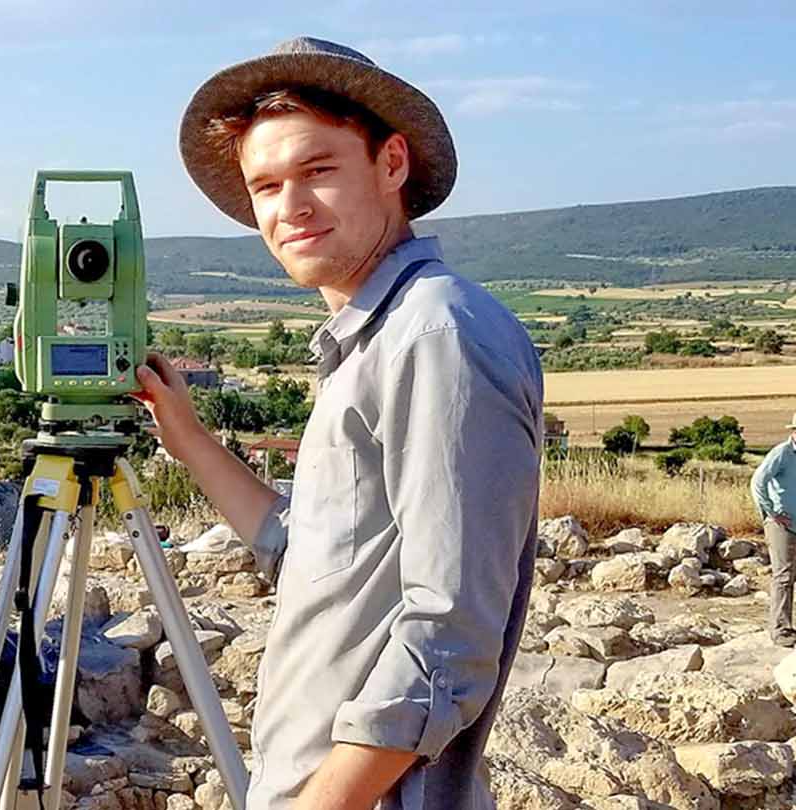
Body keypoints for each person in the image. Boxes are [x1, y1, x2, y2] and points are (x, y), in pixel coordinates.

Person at [134, 38, 543, 809]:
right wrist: (187, 439)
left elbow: (448, 639)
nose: (289, 207)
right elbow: (310, 553)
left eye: (318, 171)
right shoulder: (375, 343)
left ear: (392, 164)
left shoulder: (436, 336)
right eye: (266, 186)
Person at [750, 415, 796, 646]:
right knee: (784, 575)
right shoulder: (781, 453)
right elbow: (757, 482)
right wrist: (769, 513)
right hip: (782, 525)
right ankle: (781, 631)